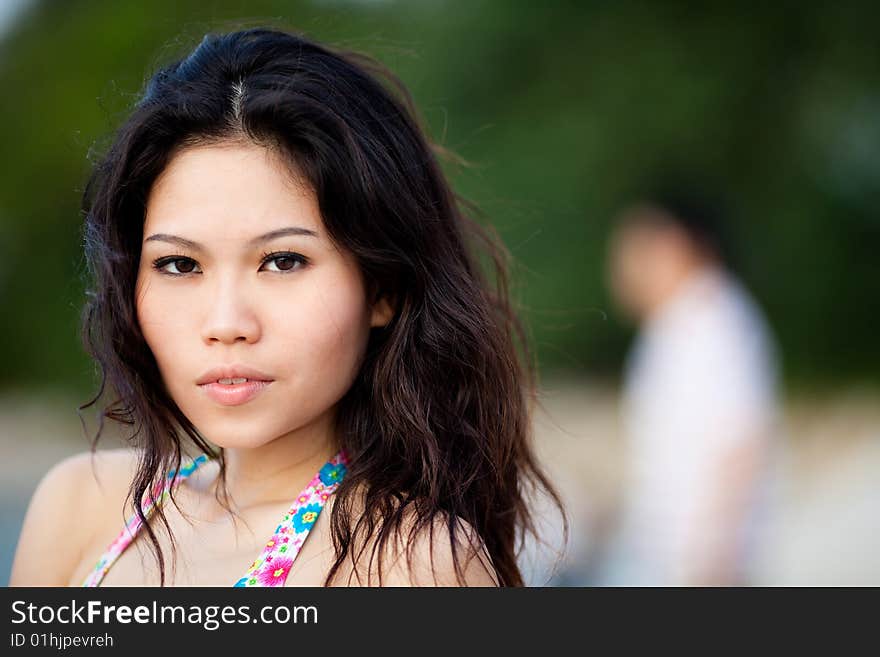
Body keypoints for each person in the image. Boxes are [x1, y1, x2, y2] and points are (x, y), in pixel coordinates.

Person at [8, 27, 564, 587]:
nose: (226, 324)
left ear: (382, 287)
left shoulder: (411, 563)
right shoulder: (79, 508)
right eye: (179, 265)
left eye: (282, 261)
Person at [603, 185, 780, 586]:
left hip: (700, 570)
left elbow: (740, 446)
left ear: (673, 245)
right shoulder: (676, 325)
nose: (619, 268)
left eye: (632, 249)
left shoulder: (716, 323)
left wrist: (714, 565)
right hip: (667, 563)